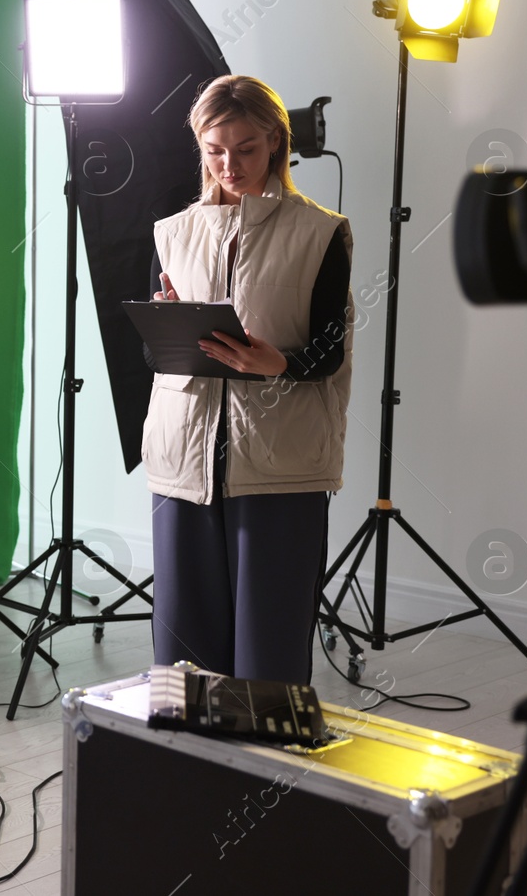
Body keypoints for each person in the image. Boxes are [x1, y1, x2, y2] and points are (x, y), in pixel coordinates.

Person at [142, 74, 352, 685]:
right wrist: (170, 320)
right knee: (184, 664)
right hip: (183, 459)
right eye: (215, 150)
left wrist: (277, 363)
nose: (229, 164)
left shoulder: (321, 234)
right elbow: (162, 350)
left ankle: (266, 776)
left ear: (277, 145)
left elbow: (331, 351)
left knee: (269, 657)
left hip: (281, 463)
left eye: (246, 149)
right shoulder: (171, 232)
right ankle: (185, 772)